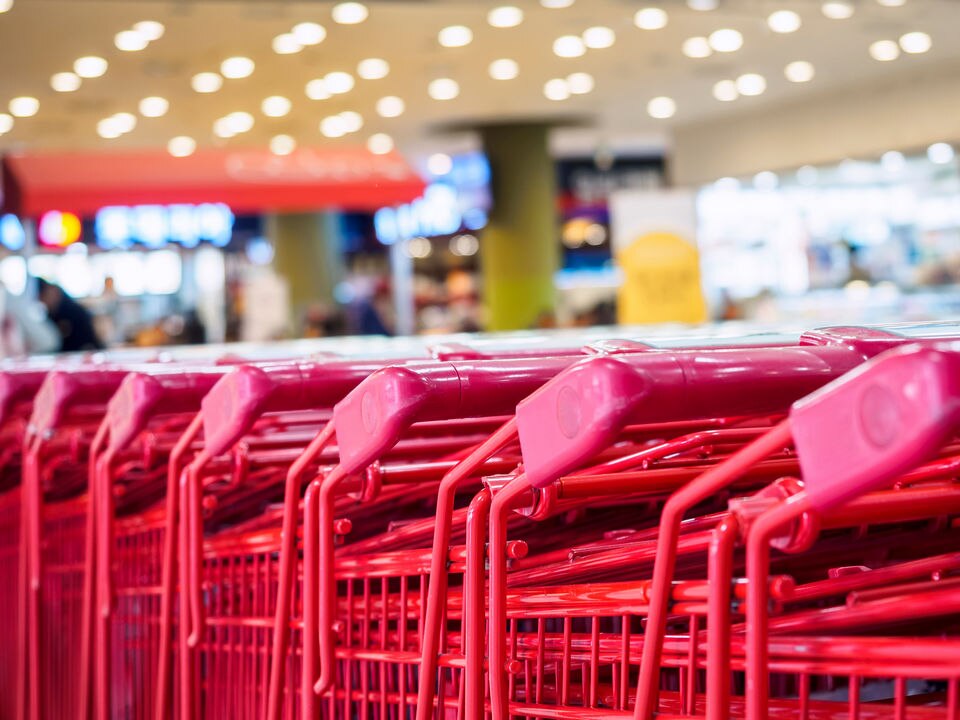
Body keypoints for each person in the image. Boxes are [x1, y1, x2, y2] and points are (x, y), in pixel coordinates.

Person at [36, 278, 105, 352]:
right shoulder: (52, 313)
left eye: (43, 297)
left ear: (52, 290)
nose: (44, 302)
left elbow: (86, 342)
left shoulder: (73, 312)